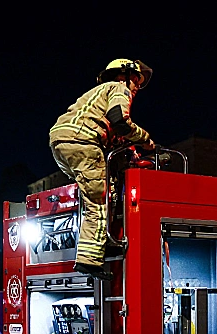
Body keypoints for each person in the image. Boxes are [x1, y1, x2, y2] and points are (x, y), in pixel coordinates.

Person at [50, 59, 155, 281]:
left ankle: (98, 238)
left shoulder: (96, 95)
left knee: (100, 189)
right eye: (136, 80)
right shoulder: (118, 89)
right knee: (99, 199)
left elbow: (114, 134)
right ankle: (90, 260)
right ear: (125, 76)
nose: (137, 87)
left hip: (62, 142)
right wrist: (146, 141)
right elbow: (120, 120)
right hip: (82, 141)